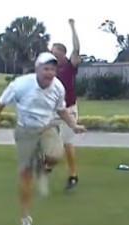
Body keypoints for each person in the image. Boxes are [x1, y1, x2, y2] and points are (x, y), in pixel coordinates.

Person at [0, 52, 86, 225]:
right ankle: (25, 220)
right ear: (37, 69)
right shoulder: (21, 85)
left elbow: (61, 110)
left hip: (47, 127)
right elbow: (0, 104)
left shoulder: (58, 88)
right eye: (46, 68)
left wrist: (73, 125)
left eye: (53, 69)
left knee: (56, 155)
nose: (50, 73)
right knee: (25, 176)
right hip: (25, 131)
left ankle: (42, 168)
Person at [51, 18, 82, 190]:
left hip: (69, 109)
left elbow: (77, 48)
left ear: (62, 53)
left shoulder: (70, 66)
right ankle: (48, 162)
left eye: (55, 52)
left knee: (68, 143)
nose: (52, 54)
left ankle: (73, 175)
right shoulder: (51, 69)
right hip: (53, 110)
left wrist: (72, 27)